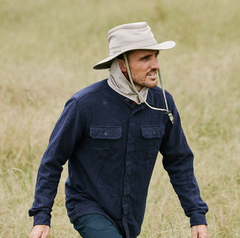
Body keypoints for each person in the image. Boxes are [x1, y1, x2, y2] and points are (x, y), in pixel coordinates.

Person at [29, 22, 209, 238]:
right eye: (145, 58)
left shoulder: (163, 103)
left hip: (131, 215)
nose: (156, 65)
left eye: (155, 56)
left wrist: (196, 215)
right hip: (88, 207)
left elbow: (179, 160)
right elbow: (52, 160)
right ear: (122, 64)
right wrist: (41, 217)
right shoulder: (83, 105)